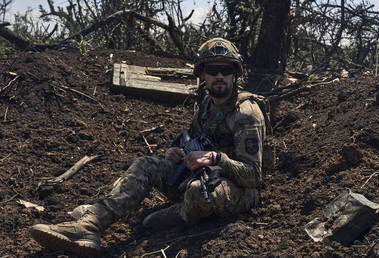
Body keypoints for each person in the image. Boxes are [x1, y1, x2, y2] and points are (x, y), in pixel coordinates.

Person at [30, 37, 267, 255]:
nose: (219, 76)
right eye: (212, 70)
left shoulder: (246, 113)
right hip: (202, 177)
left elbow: (254, 177)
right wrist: (178, 153)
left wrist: (217, 159)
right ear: (202, 74)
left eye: (225, 70)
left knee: (196, 193)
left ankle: (179, 213)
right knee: (146, 165)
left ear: (234, 74)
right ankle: (91, 223)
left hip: (238, 190)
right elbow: (194, 141)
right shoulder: (205, 106)